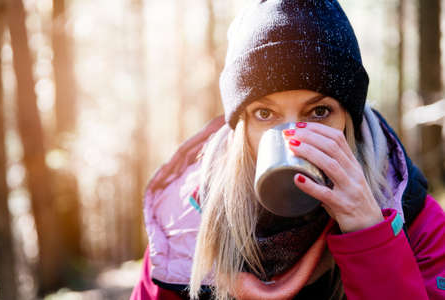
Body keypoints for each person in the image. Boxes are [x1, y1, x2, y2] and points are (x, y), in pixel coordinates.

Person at [131, 1, 445, 299]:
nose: (292, 137)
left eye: (319, 112)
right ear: (241, 127)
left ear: (350, 119)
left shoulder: (411, 216)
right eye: (265, 114)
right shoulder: (183, 225)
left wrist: (369, 232)